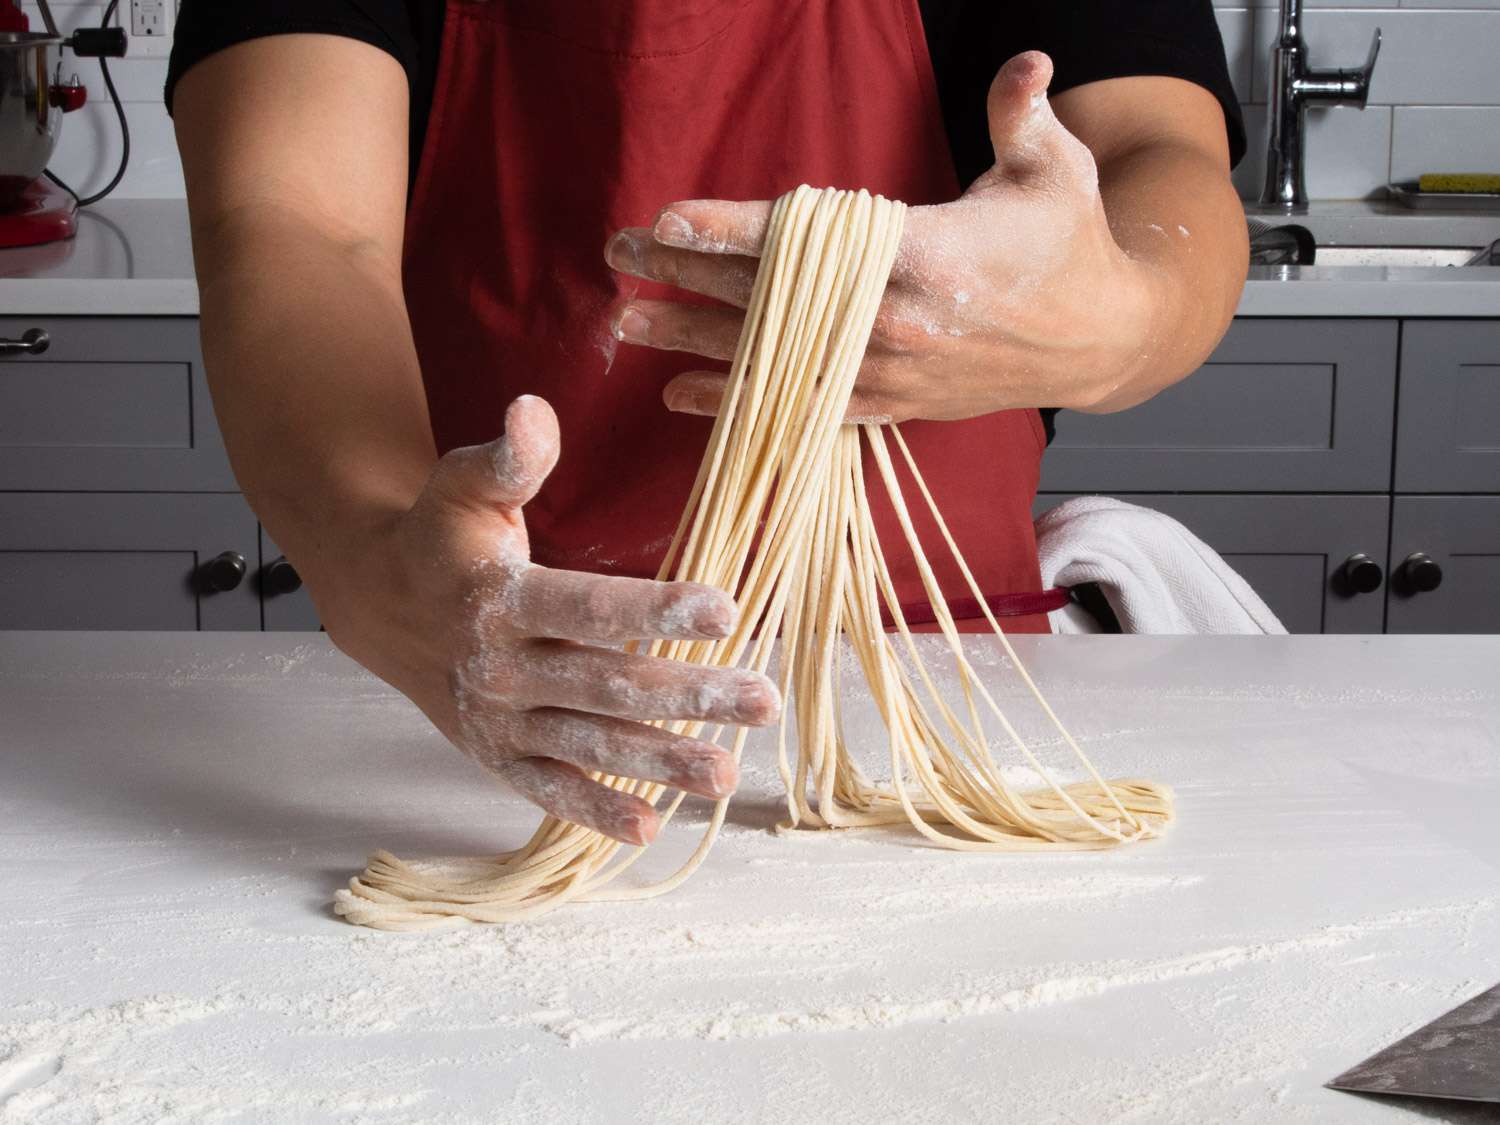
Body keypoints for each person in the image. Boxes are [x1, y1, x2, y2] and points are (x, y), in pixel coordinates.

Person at [165, 1, 1248, 848]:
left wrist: (1116, 310)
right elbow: (294, 221)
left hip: (945, 714)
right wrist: (377, 552)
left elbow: (1163, 164)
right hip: (480, 692)